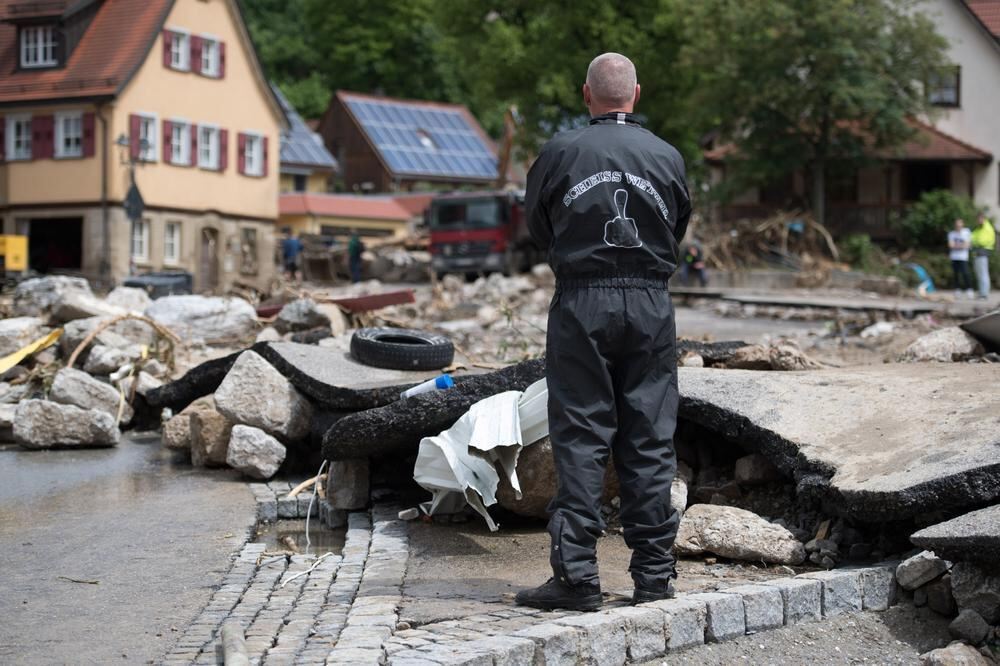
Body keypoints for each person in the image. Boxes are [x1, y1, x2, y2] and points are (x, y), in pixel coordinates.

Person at [517, 52, 691, 611]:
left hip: (582, 301)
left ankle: (577, 579)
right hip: (649, 302)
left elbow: (537, 225)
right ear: (635, 94)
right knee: (649, 436)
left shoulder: (560, 151)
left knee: (582, 436)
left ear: (586, 94)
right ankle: (654, 578)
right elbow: (678, 225)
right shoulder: (667, 155)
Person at [970, 212, 996, 300]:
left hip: (983, 252)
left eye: (979, 219)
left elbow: (982, 241)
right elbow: (972, 238)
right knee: (979, 274)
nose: (978, 221)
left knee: (983, 274)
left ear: (983, 218)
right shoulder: (979, 228)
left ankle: (984, 294)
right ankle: (981, 292)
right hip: (977, 253)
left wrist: (975, 243)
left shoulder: (987, 228)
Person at [947, 218, 974, 299]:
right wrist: (961, 245)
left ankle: (969, 290)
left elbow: (968, 244)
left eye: (959, 224)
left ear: (962, 224)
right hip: (954, 257)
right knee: (956, 274)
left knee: (966, 274)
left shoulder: (966, 232)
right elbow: (950, 245)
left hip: (963, 257)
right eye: (956, 224)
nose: (958, 226)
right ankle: (957, 290)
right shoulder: (951, 234)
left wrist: (957, 245)